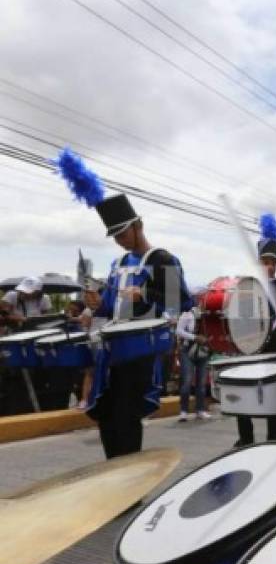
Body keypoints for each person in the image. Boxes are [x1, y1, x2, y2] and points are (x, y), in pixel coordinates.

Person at [56, 148, 191, 459]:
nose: (120, 240)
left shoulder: (163, 259)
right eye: (115, 236)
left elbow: (180, 302)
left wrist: (145, 296)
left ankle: (130, 485)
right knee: (104, 412)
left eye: (123, 233)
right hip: (112, 347)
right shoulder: (117, 263)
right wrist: (95, 307)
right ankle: (112, 471)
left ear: (138, 225)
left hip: (140, 349)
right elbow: (110, 309)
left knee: (127, 416)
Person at [233, 214, 276, 447]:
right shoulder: (248, 287)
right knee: (243, 396)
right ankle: (246, 438)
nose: (269, 266)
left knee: (274, 398)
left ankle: (274, 440)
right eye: (265, 261)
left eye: (273, 261)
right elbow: (237, 323)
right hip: (251, 351)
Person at [176, 291, 211, 422]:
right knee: (187, 381)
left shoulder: (208, 315)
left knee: (201, 383)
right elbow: (178, 331)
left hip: (202, 350)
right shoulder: (187, 313)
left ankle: (200, 410)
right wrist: (195, 337)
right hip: (187, 350)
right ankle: (183, 411)